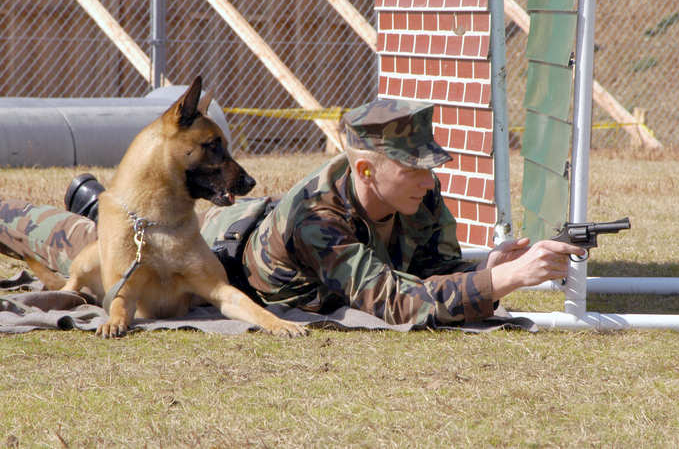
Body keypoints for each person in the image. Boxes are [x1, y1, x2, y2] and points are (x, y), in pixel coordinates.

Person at [0, 98, 583, 327]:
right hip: (219, 238)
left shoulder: (418, 197)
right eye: (414, 166)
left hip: (249, 228)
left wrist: (492, 273)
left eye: (430, 166)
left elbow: (432, 278)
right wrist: (505, 278)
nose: (430, 179)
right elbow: (401, 304)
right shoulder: (317, 218)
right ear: (364, 171)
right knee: (65, 235)